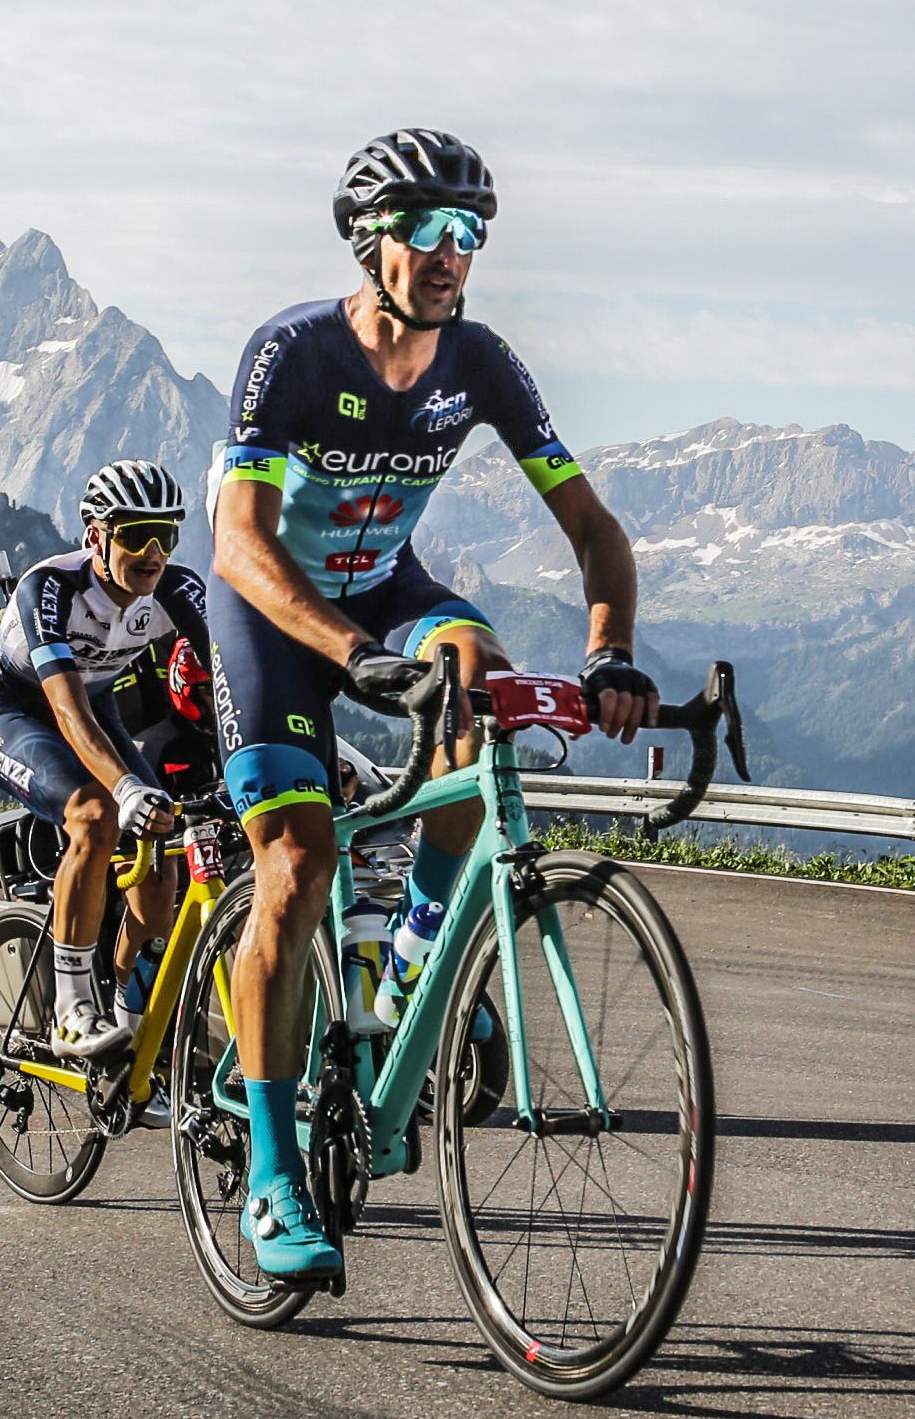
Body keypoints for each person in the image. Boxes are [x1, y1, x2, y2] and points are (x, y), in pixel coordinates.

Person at [205, 130, 659, 1283]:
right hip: (274, 614)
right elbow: (239, 543)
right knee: (297, 865)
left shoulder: (479, 362)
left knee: (477, 674)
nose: (453, 251)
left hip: (387, 592)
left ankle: (412, 946)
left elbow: (593, 528)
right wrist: (353, 654)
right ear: (371, 242)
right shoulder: (294, 351)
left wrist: (609, 649)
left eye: (471, 231)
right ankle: (271, 1172)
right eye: (428, 228)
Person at [0, 458, 215, 1059]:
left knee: (163, 859)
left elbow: (236, 678)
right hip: (17, 712)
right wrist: (126, 788)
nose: (153, 553)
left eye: (166, 535)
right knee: (95, 816)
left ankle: (130, 1015)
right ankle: (71, 1009)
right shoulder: (50, 589)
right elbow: (66, 708)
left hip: (97, 710)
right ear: (96, 536)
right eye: (136, 535)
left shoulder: (178, 590)